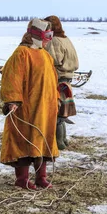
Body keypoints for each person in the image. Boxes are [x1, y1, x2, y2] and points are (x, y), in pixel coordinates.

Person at [0, 18, 59, 190]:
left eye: (51, 35)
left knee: (43, 140)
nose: (49, 39)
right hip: (26, 108)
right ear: (36, 34)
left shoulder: (46, 56)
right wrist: (12, 100)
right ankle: (22, 179)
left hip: (45, 108)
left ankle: (41, 177)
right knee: (24, 141)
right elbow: (12, 78)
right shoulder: (21, 53)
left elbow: (52, 80)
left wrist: (57, 99)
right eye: (47, 35)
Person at [43, 15, 79, 150]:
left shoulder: (55, 41)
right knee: (61, 113)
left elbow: (52, 60)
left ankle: (58, 142)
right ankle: (63, 140)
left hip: (58, 80)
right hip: (66, 80)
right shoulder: (65, 39)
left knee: (56, 113)